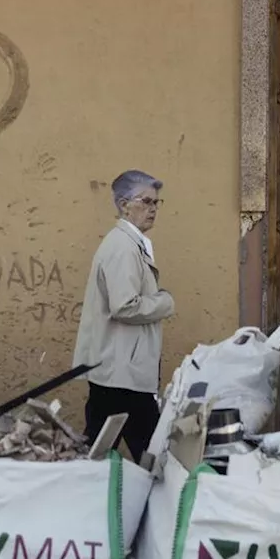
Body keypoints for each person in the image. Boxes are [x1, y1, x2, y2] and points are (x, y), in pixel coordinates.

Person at [72, 169, 175, 464]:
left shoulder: (131, 244)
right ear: (124, 204)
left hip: (119, 370)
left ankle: (81, 498)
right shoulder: (122, 248)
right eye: (146, 201)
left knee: (98, 454)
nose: (153, 209)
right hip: (122, 374)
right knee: (151, 456)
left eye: (157, 202)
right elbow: (125, 306)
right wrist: (164, 302)